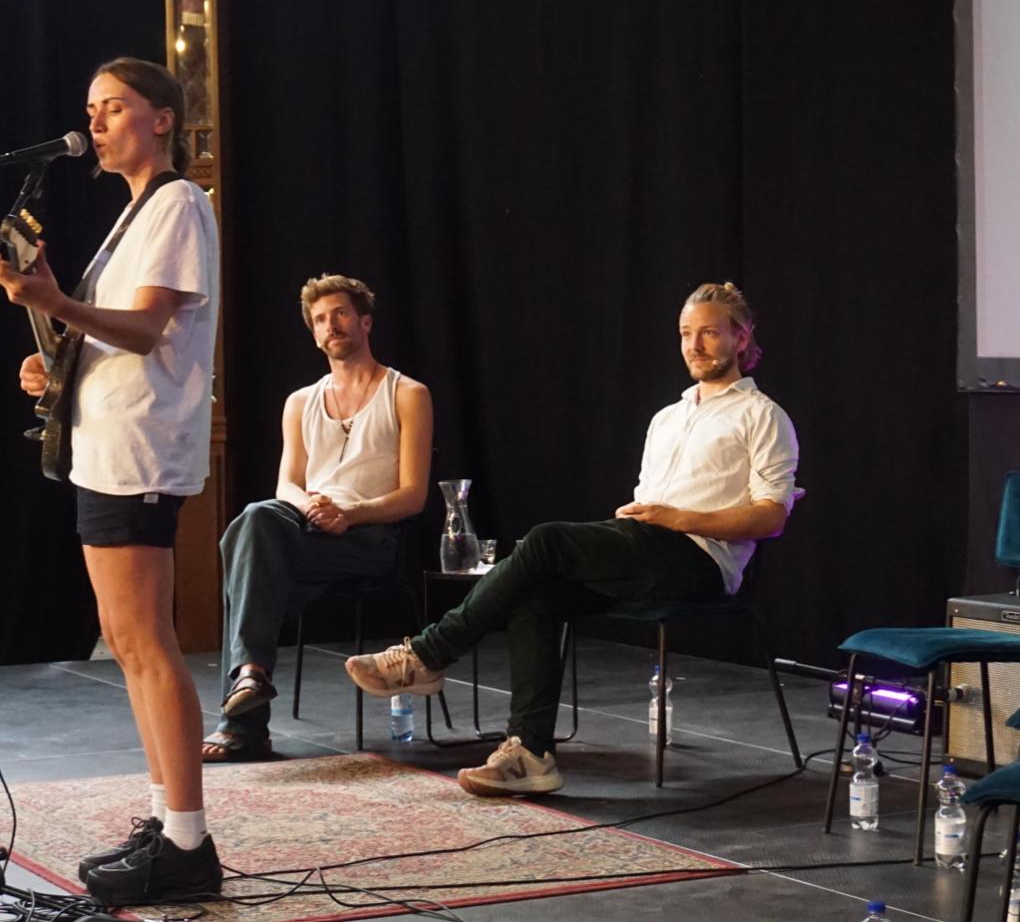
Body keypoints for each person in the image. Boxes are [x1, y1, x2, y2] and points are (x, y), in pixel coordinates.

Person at [345, 281, 801, 797]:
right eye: (685, 334)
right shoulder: (667, 418)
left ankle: (428, 655)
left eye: (710, 333)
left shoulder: (764, 416)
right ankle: (531, 754)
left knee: (544, 542)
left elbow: (771, 517)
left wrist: (675, 517)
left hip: (701, 562)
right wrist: (646, 519)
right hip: (646, 545)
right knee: (537, 596)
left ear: (742, 339)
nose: (694, 346)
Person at [0, 57, 221, 904]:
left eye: (114, 107)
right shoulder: (131, 217)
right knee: (125, 641)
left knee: (147, 642)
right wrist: (39, 318)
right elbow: (94, 340)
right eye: (91, 110)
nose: (96, 123)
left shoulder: (177, 204)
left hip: (141, 450)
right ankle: (167, 819)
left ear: (161, 118)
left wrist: (57, 304)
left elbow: (146, 327)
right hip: (106, 444)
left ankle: (189, 842)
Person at [202, 274, 433, 762]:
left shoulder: (407, 393)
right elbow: (288, 482)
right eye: (321, 319)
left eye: (342, 314)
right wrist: (309, 505)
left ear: (365, 321)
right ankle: (250, 679)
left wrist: (348, 513)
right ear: (313, 333)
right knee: (256, 521)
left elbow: (413, 496)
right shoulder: (300, 402)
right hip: (304, 527)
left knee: (247, 545)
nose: (332, 325)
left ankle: (244, 715)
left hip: (371, 535)